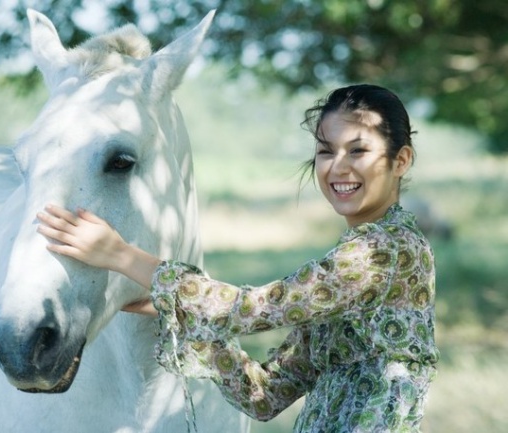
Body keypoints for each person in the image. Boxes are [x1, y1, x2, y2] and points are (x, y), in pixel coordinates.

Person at [36, 84, 439, 432]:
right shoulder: (350, 260)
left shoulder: (386, 252)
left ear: (400, 160)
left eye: (358, 150)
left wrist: (120, 254)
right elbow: (264, 396)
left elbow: (254, 309)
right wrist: (175, 310)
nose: (338, 167)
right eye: (325, 150)